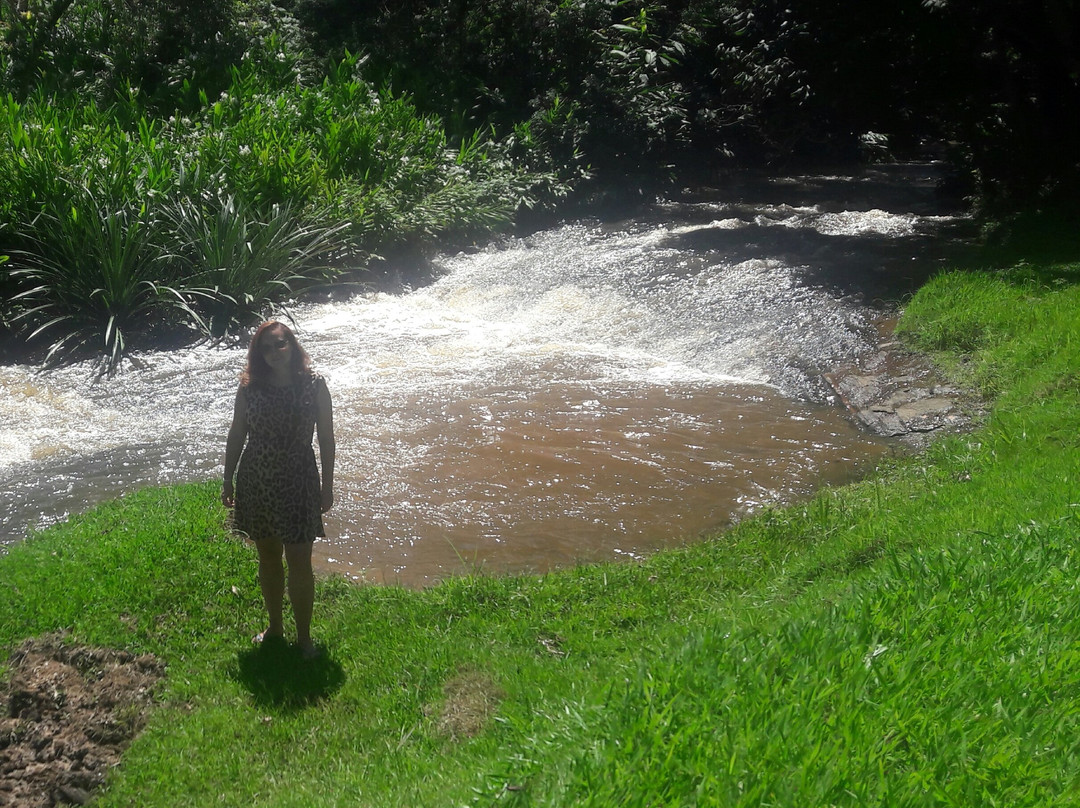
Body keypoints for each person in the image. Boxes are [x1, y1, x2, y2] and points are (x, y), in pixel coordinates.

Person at [222, 320, 335, 660]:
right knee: (268, 555)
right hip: (257, 478)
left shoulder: (314, 385)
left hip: (299, 479)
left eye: (280, 344)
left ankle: (304, 639)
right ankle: (275, 627)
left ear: (293, 346)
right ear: (258, 354)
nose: (273, 352)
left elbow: (327, 439)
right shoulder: (249, 387)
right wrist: (228, 479)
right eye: (266, 348)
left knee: (300, 561)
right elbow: (237, 434)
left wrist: (327, 486)